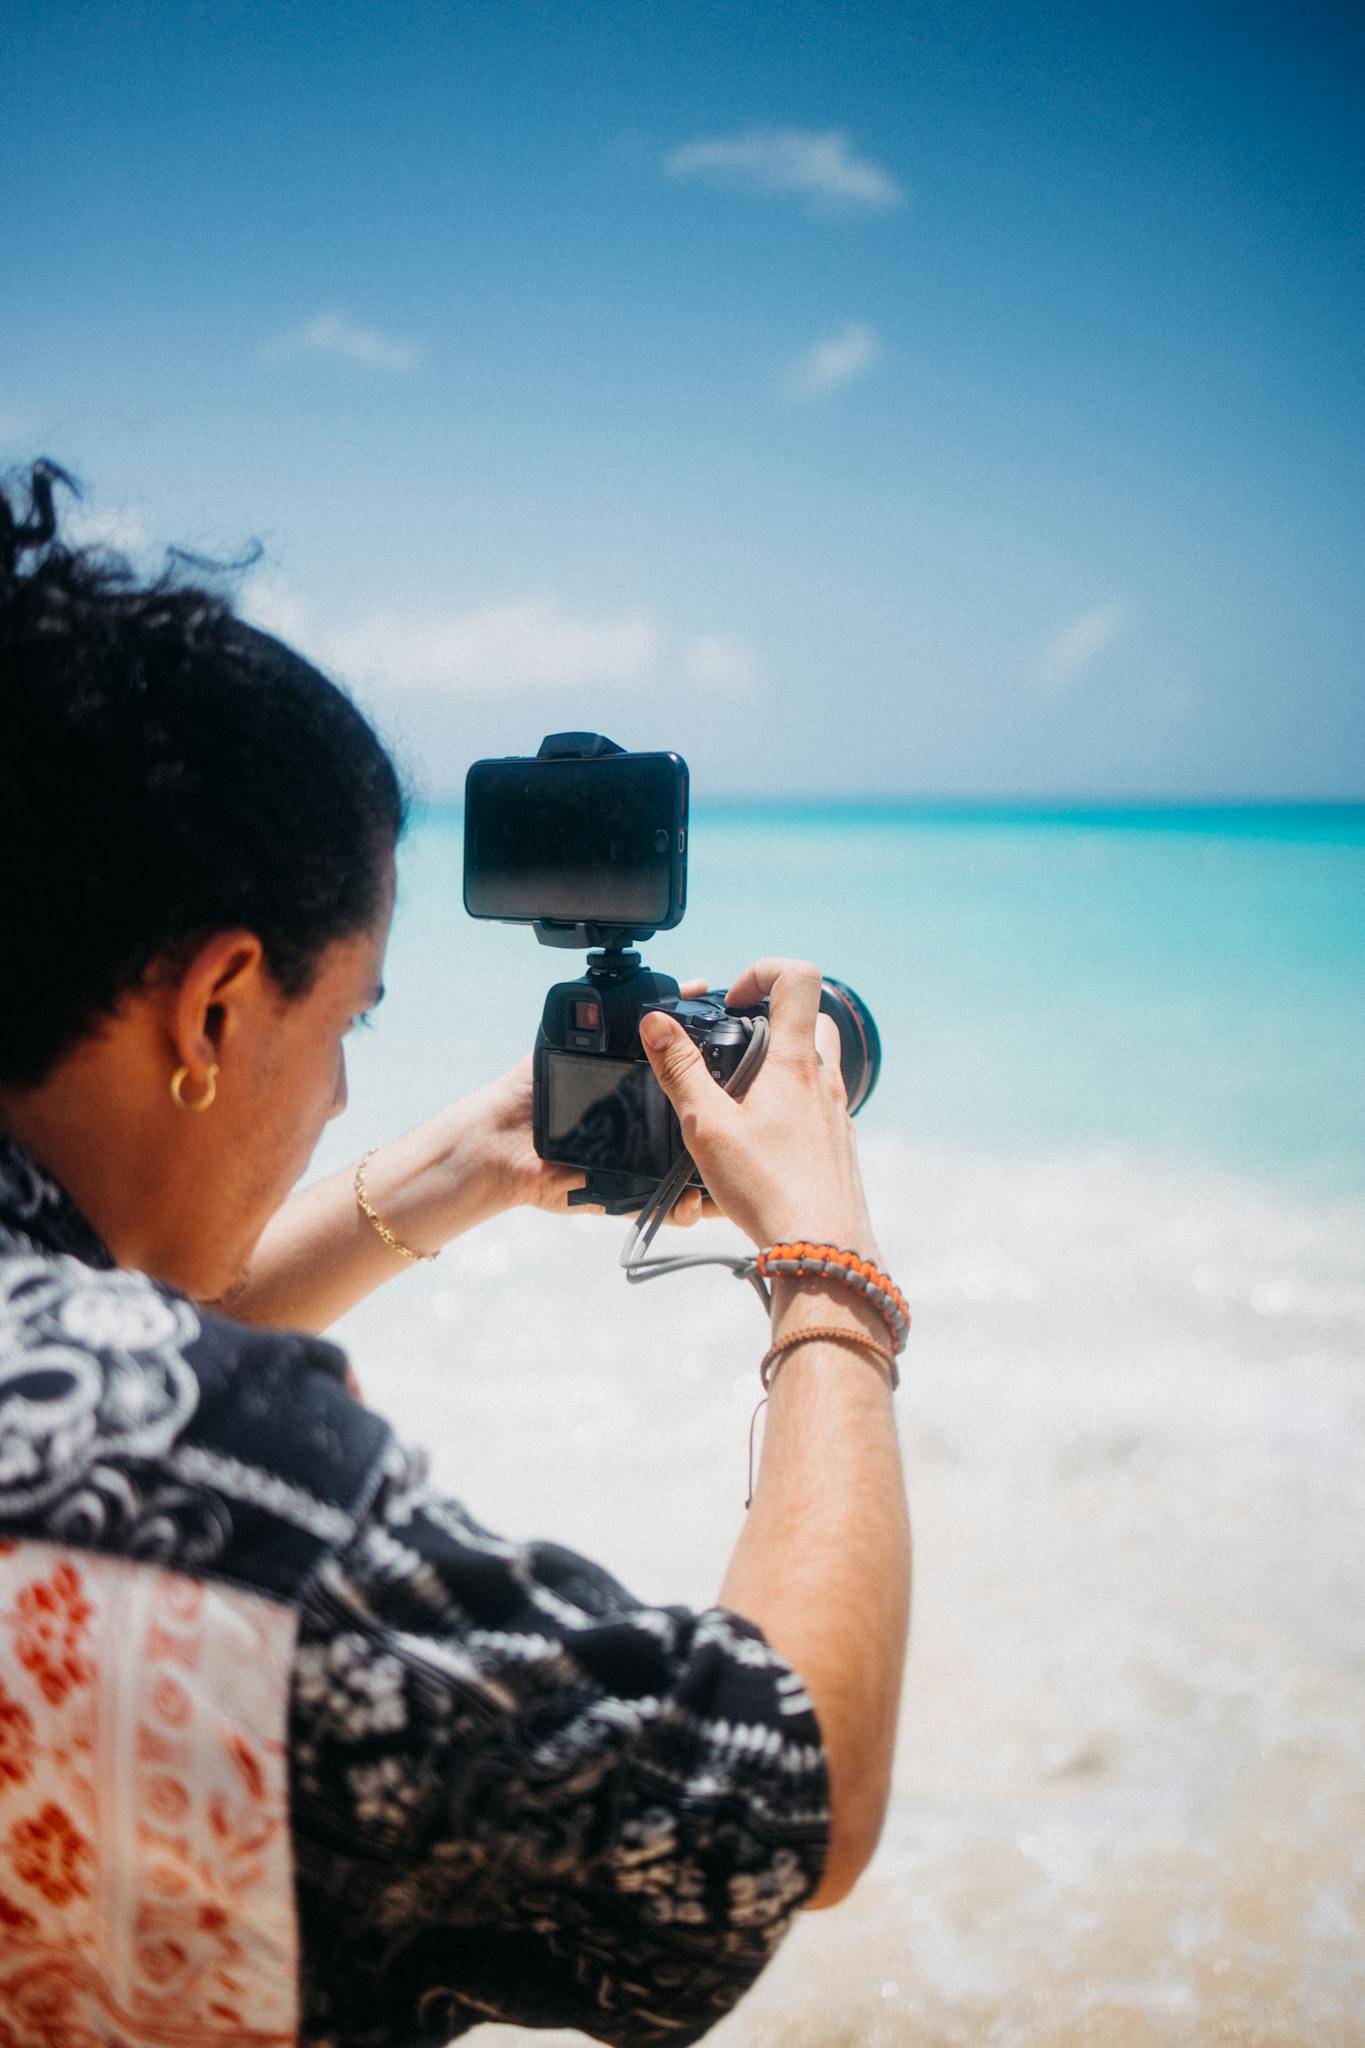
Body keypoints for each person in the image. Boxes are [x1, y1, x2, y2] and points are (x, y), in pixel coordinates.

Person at [0, 463, 910, 2047]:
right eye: (347, 1023)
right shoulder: (215, 1481)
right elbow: (773, 1804)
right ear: (215, 1006)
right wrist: (827, 1269)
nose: (342, 1095)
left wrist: (478, 1157)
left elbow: (91, 1342)